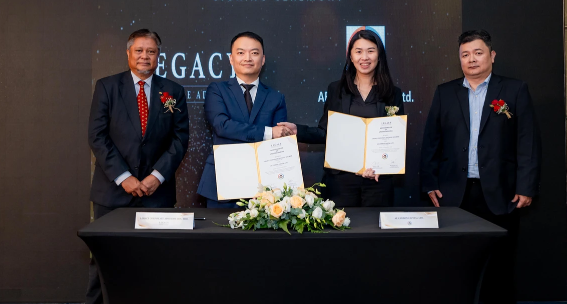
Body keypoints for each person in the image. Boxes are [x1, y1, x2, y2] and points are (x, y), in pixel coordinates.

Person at [420, 29, 541, 304]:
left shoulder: (514, 90)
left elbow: (528, 141)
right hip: (454, 194)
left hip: (500, 192)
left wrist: (526, 186)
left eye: (478, 53)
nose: (471, 59)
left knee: (500, 266)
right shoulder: (445, 92)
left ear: (492, 55)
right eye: (465, 54)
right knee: (455, 266)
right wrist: (429, 183)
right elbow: (430, 143)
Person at [86, 29, 189, 304]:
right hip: (112, 192)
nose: (145, 56)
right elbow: (97, 136)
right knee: (104, 261)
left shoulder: (173, 91)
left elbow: (180, 139)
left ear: (158, 56)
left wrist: (157, 176)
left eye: (151, 51)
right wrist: (124, 177)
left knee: (155, 262)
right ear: (128, 53)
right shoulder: (107, 87)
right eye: (139, 51)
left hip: (157, 194)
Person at [278, 30, 404, 207]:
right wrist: (299, 130)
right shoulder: (336, 89)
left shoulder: (393, 93)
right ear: (350, 56)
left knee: (374, 225)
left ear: (379, 55)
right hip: (341, 180)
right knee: (342, 224)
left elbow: (394, 139)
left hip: (378, 181)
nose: (364, 57)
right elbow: (325, 132)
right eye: (358, 51)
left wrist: (382, 167)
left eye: (370, 51)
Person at [197, 31, 290, 208]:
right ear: (231, 59)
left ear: (263, 59)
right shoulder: (217, 90)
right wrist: (268, 132)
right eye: (241, 53)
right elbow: (221, 126)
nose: (247, 58)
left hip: (263, 188)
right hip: (222, 183)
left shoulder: (276, 98)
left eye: (254, 53)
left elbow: (279, 142)